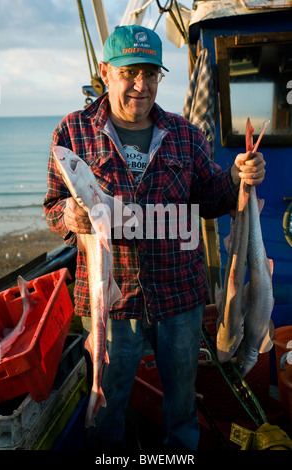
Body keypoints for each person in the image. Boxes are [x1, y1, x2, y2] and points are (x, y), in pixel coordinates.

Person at [44, 24, 266, 452]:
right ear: (105, 73)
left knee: (182, 408)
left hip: (179, 300)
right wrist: (67, 216)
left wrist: (239, 176)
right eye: (129, 73)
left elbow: (214, 195)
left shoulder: (185, 134)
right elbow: (53, 204)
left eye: (150, 73)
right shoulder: (71, 134)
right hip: (113, 302)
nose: (141, 86)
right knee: (107, 409)